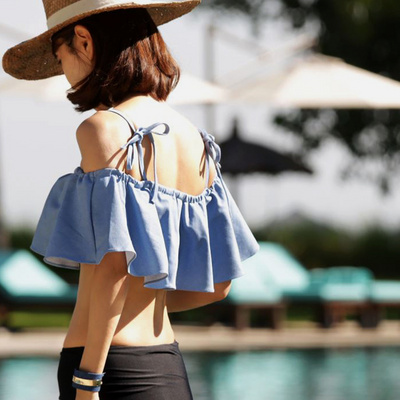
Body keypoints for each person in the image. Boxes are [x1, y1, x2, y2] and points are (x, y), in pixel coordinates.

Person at [2, 1, 259, 399]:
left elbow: (114, 266)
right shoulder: (198, 142)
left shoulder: (104, 130)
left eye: (60, 57)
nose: (65, 75)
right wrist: (145, 304)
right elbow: (219, 284)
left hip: (107, 370)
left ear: (83, 41)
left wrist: (88, 381)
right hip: (167, 366)